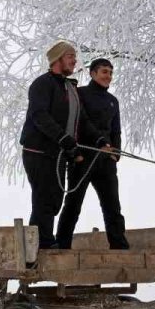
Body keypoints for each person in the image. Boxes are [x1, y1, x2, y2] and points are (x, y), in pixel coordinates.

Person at [20, 41, 110, 250]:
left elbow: (82, 120)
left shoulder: (69, 88)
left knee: (55, 199)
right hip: (39, 151)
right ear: (57, 59)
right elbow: (39, 115)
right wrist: (62, 138)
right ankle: (41, 245)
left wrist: (99, 140)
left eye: (74, 57)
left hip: (59, 153)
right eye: (70, 56)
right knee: (44, 197)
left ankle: (42, 241)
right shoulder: (42, 84)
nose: (75, 60)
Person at [55, 57, 130, 250]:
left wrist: (115, 154)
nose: (108, 76)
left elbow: (116, 131)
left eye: (111, 73)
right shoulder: (80, 94)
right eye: (104, 72)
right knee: (73, 204)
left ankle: (119, 246)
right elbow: (81, 122)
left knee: (112, 206)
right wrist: (84, 149)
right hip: (83, 157)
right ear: (93, 73)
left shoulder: (113, 101)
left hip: (106, 160)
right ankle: (62, 245)